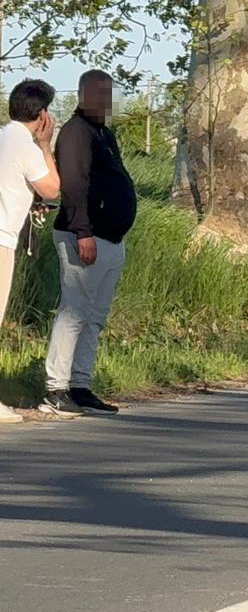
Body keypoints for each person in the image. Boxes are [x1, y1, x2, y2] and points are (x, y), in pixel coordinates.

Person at [39, 70, 136, 418]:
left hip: (111, 238)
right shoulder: (77, 133)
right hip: (84, 236)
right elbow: (75, 185)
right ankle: (56, 388)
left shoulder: (104, 133)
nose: (107, 103)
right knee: (73, 313)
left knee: (94, 316)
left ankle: (80, 384)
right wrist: (83, 231)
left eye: (110, 96)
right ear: (85, 95)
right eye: (102, 95)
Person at [0, 80, 63, 424]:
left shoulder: (1, 136)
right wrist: (45, 145)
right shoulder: (24, 144)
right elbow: (52, 189)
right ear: (41, 115)